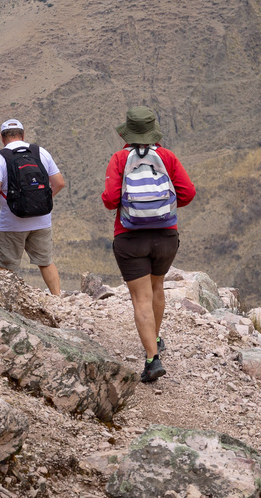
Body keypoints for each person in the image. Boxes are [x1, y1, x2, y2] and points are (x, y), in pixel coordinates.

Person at [101, 106, 196, 383]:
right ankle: (154, 337)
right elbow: (188, 193)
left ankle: (152, 359)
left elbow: (109, 200)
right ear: (154, 131)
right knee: (157, 288)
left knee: (140, 298)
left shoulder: (119, 159)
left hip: (130, 238)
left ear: (127, 133)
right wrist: (165, 206)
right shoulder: (167, 157)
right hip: (166, 236)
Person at [0, 119, 65, 294]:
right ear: (23, 134)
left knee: (7, 267)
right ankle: (58, 298)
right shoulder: (40, 152)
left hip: (12, 222)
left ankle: (6, 300)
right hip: (42, 220)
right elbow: (59, 183)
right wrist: (41, 200)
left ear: (2, 137)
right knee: (46, 262)